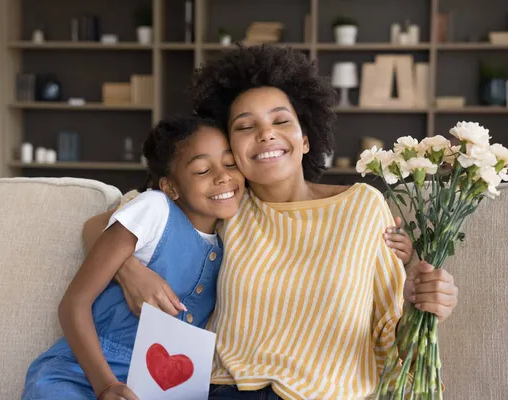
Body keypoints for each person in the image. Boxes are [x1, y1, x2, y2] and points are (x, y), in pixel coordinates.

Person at [84, 45, 458, 400]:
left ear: (306, 139)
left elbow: (389, 335)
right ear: (229, 147)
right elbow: (99, 225)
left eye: (280, 120)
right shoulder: (224, 203)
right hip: (222, 389)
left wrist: (423, 307)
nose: (266, 133)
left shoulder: (362, 207)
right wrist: (130, 271)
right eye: (245, 127)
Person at [22, 115, 245, 400]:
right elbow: (73, 304)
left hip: (155, 386)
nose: (223, 176)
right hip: (79, 375)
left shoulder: (233, 239)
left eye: (230, 164)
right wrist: (106, 386)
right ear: (170, 187)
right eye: (202, 170)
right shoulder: (153, 209)